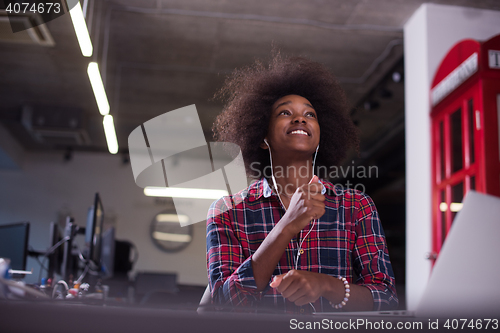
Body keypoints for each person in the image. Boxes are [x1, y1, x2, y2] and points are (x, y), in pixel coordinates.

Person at [206, 53, 398, 314]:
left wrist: (327, 285)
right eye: (285, 112)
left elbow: (385, 298)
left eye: (310, 114)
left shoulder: (357, 205)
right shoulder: (227, 210)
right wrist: (286, 225)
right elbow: (222, 304)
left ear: (320, 136)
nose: (300, 118)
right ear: (262, 136)